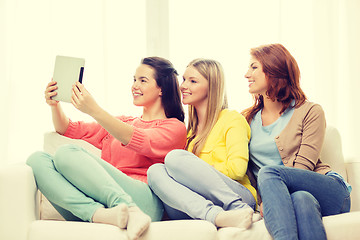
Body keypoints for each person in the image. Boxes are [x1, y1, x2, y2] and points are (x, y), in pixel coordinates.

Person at [27, 57, 187, 240]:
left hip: (145, 203)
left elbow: (136, 139)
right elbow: (67, 128)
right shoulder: (121, 122)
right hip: (105, 205)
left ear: (162, 89)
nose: (135, 85)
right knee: (37, 160)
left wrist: (94, 109)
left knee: (66, 153)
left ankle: (129, 210)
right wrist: (54, 105)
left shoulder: (174, 128)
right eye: (134, 79)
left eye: (143, 80)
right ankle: (97, 214)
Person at [243, 43, 351, 240]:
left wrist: (269, 199)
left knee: (269, 173)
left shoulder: (310, 111)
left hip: (329, 189)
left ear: (274, 69)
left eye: (253, 67)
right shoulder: (246, 120)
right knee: (302, 199)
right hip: (296, 196)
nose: (246, 74)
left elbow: (302, 168)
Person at [147, 58, 258, 229]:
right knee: (155, 171)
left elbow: (237, 170)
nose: (183, 86)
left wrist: (197, 172)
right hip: (201, 204)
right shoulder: (190, 132)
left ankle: (238, 208)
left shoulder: (231, 119)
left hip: (236, 196)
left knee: (174, 158)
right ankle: (216, 216)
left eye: (193, 81)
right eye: (184, 79)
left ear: (211, 87)